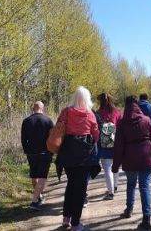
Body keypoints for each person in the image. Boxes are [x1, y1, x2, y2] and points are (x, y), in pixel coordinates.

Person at [112, 96, 151, 230]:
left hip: (130, 158)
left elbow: (118, 146)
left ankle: (129, 209)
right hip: (147, 157)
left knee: (131, 184)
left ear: (126, 106)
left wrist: (115, 165)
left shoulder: (121, 123)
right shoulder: (146, 120)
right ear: (137, 105)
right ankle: (147, 217)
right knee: (144, 187)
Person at [55, 86, 100, 231]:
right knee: (80, 189)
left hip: (68, 154)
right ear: (88, 99)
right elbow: (96, 134)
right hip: (84, 156)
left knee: (71, 185)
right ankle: (75, 224)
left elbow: (58, 128)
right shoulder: (90, 114)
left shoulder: (66, 111)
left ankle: (66, 218)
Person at [21, 101, 54, 210]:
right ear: (42, 108)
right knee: (42, 176)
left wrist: (26, 150)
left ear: (33, 108)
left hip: (31, 152)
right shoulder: (48, 121)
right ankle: (34, 201)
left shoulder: (26, 121)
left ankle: (38, 196)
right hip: (45, 152)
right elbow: (52, 137)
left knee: (34, 175)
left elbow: (23, 138)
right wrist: (52, 151)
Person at [97, 93, 122, 200]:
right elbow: (121, 126)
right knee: (116, 165)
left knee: (107, 168)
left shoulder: (98, 113)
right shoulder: (117, 112)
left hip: (103, 144)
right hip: (116, 142)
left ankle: (111, 192)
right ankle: (115, 186)